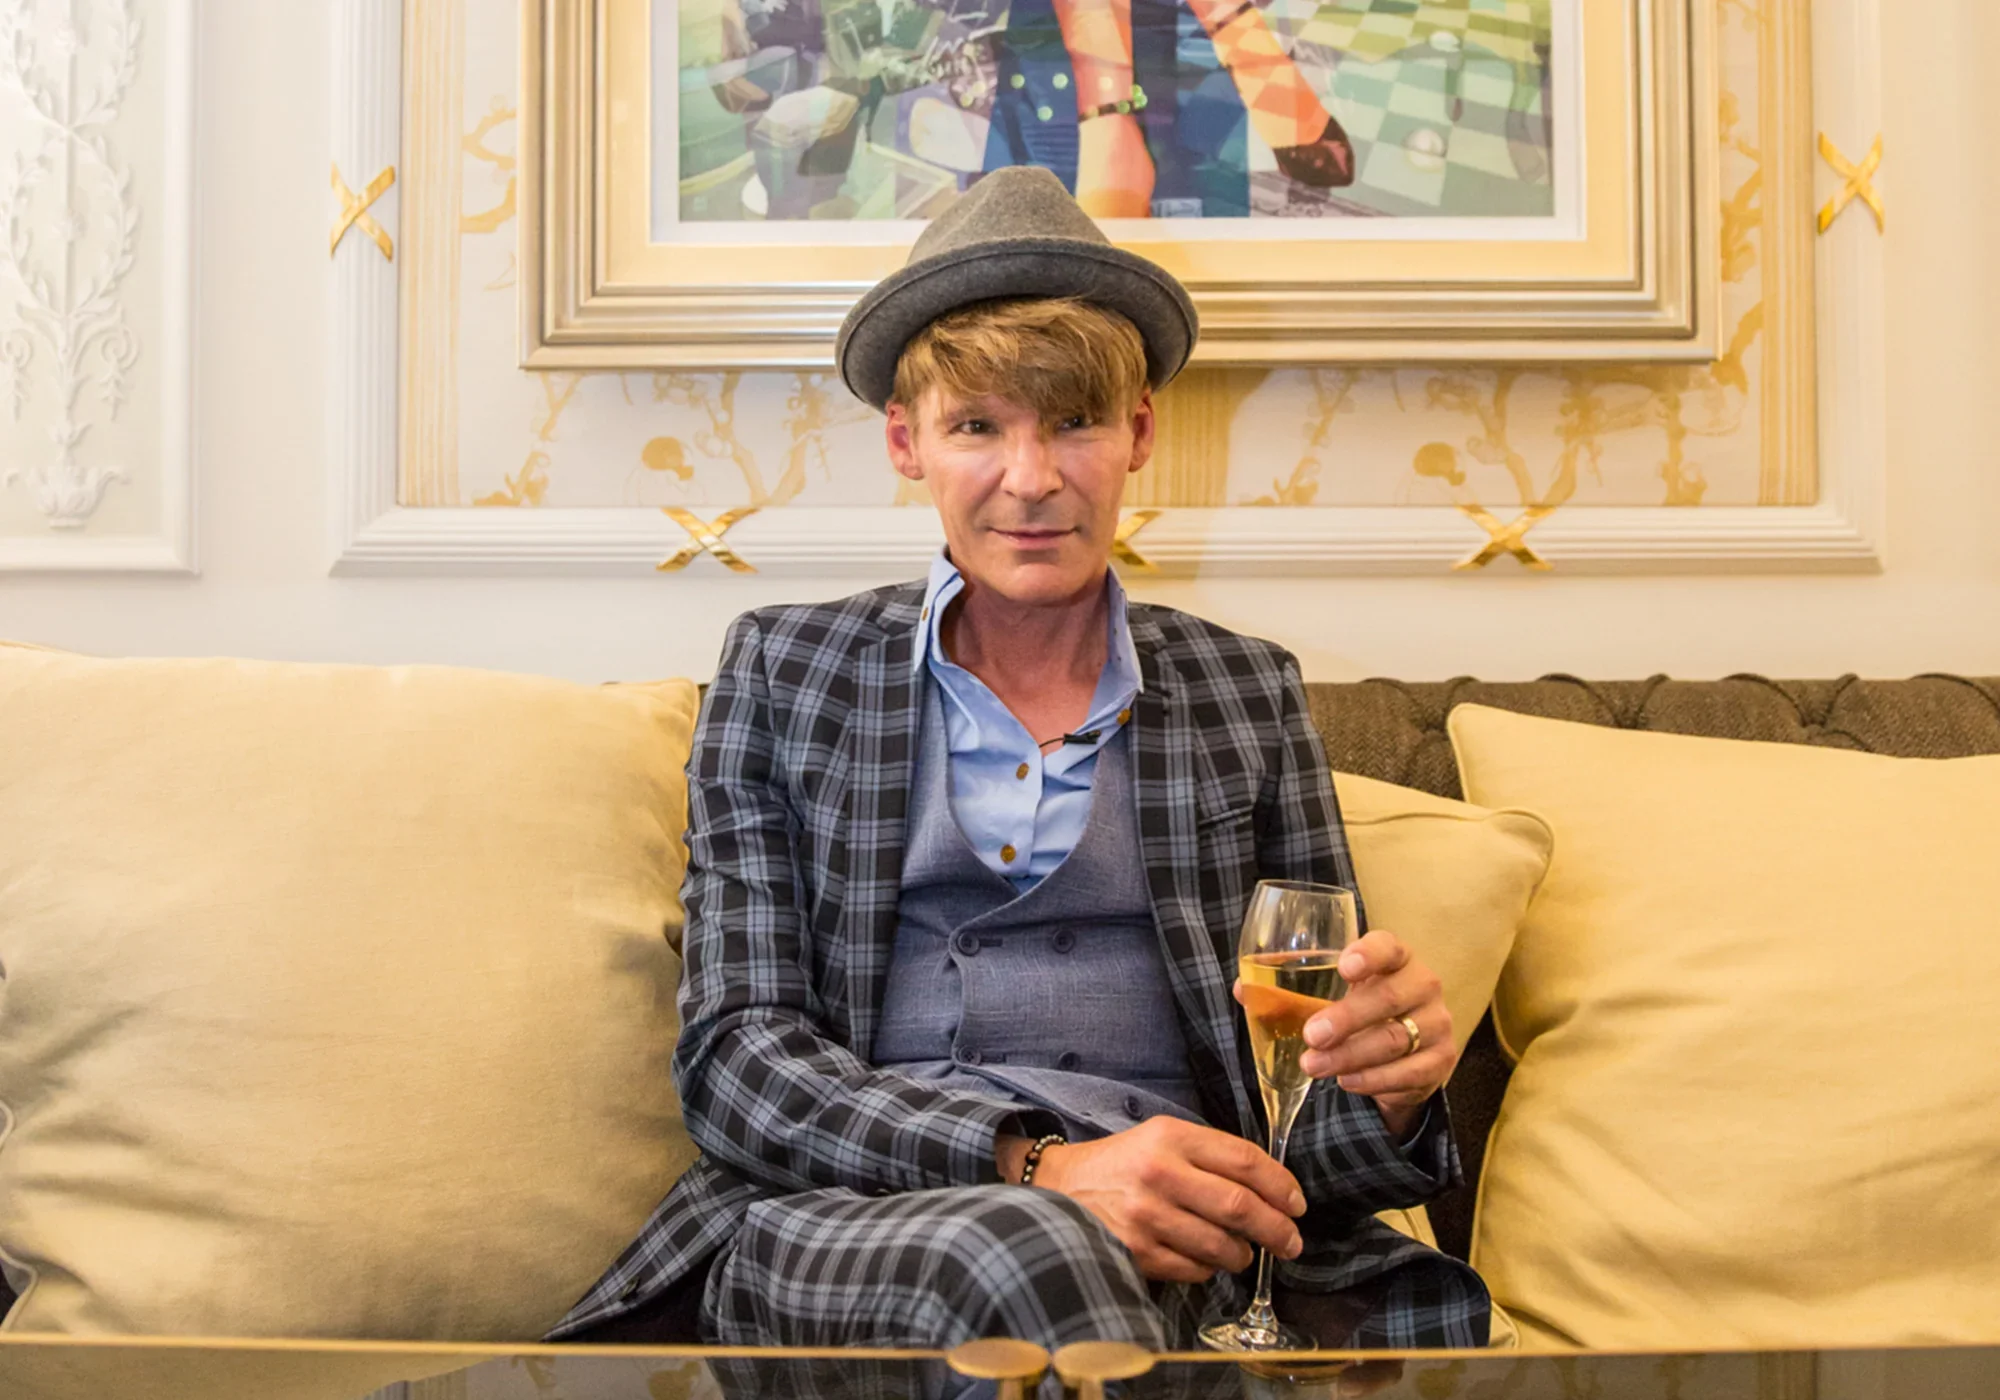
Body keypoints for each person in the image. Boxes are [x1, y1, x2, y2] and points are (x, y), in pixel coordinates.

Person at [549, 165, 1488, 1358]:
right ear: (907, 442)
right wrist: (1038, 1164)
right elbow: (736, 1060)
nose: (1031, 479)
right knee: (1026, 1247)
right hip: (849, 1223)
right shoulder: (786, 670)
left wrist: (1390, 1085)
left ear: (1139, 429)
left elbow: (1302, 1117)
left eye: (1075, 421)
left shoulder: (1244, 690)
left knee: (1108, 1278)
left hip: (1181, 1233)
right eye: (977, 425)